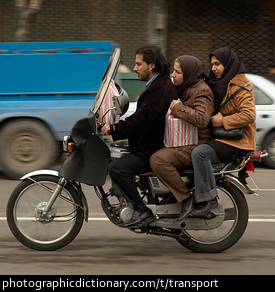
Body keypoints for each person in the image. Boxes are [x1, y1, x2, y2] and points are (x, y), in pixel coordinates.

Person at [101, 44, 178, 227]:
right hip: (147, 143)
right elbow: (141, 117)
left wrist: (113, 130)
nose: (135, 68)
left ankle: (141, 209)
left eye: (138, 64)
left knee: (117, 168)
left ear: (151, 65)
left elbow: (143, 120)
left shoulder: (161, 88)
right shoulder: (157, 85)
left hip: (153, 147)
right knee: (116, 156)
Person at [191, 47, 256, 216]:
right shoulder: (221, 82)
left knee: (200, 154)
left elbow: (249, 114)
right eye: (212, 64)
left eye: (218, 64)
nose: (213, 68)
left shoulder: (239, 84)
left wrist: (223, 121)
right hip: (223, 138)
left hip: (237, 142)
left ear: (228, 64)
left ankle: (208, 199)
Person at [150, 55, 214, 220]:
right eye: (173, 71)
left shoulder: (202, 90)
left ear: (189, 73)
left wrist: (179, 108)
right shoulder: (183, 87)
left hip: (195, 142)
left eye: (178, 72)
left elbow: (202, 119)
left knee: (158, 160)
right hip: (180, 139)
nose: (173, 75)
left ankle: (186, 198)